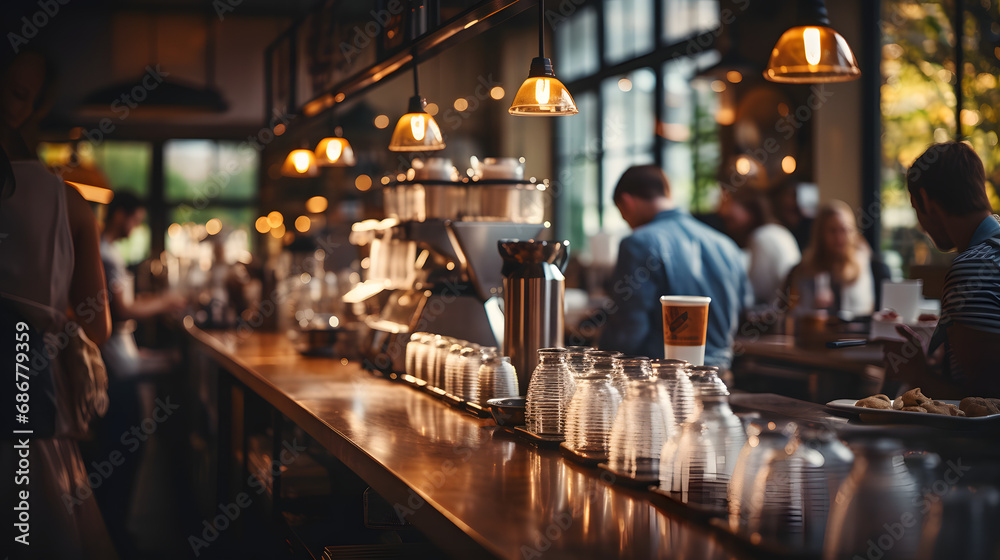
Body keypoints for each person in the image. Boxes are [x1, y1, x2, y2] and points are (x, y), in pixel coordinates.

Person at [0, 50, 117, 559]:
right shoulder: (64, 201)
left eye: (21, 93)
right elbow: (98, 325)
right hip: (24, 389)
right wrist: (45, 314)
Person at [598, 165, 752, 371]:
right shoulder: (726, 245)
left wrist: (599, 361)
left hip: (662, 380)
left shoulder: (638, 243)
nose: (627, 222)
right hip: (718, 377)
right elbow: (745, 308)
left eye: (622, 214)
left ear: (627, 202)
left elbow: (628, 330)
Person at [884, 142, 1000, 398]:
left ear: (925, 199)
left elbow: (983, 406)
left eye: (916, 209)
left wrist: (914, 372)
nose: (920, 224)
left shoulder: (973, 268)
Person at [786, 200, 891, 319]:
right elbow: (790, 313)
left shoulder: (874, 268)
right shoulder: (801, 270)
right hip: (816, 334)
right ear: (820, 234)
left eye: (844, 230)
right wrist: (813, 309)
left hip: (857, 336)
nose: (839, 237)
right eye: (832, 231)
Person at [718, 186, 801, 306]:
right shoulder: (779, 231)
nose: (726, 216)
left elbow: (757, 291)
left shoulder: (761, 237)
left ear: (749, 211)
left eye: (731, 218)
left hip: (772, 317)